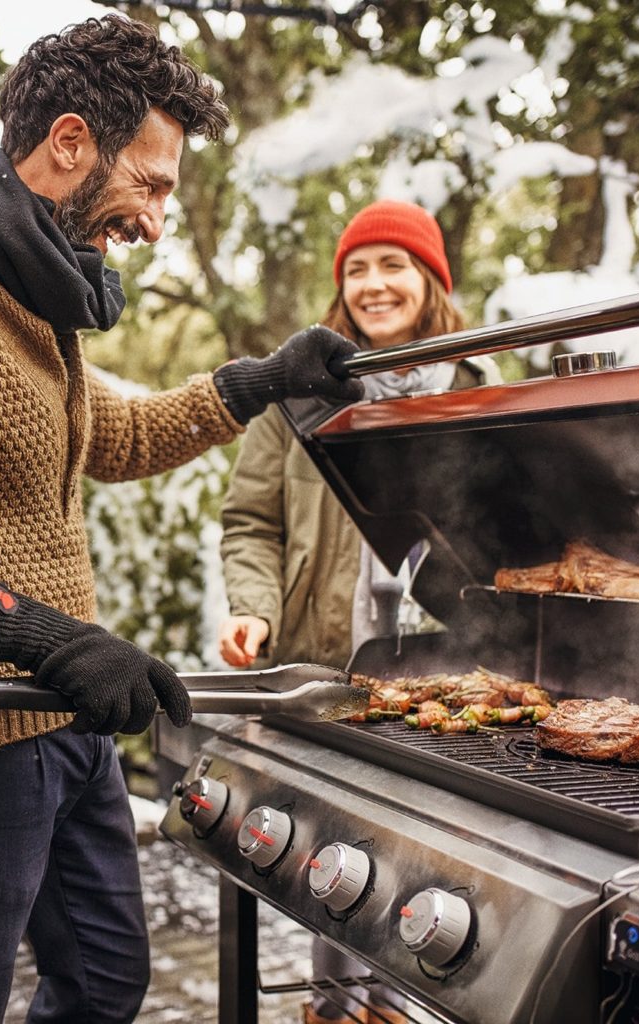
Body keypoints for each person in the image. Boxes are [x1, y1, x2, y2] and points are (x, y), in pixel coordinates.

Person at [0, 15, 364, 1023]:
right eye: (155, 181)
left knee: (102, 981)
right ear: (71, 143)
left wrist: (253, 383)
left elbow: (108, 438)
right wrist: (34, 634)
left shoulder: (34, 295)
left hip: (57, 718)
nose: (159, 221)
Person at [217, 198, 495, 1024]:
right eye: (357, 270)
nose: (374, 285)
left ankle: (415, 1006)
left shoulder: (488, 390)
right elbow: (251, 521)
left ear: (430, 279)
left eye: (393, 265)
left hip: (452, 668)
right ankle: (337, 1010)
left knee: (442, 862)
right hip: (328, 664)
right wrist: (253, 612)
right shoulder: (302, 400)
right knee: (337, 854)